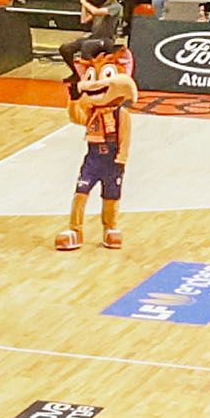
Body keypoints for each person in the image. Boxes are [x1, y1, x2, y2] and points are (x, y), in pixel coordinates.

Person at [66, 25, 137, 251]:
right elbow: (77, 118)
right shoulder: (92, 111)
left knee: (111, 197)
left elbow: (125, 138)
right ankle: (75, 230)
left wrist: (122, 159)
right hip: (93, 157)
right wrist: (74, 99)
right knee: (81, 192)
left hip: (113, 159)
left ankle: (109, 228)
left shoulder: (120, 114)